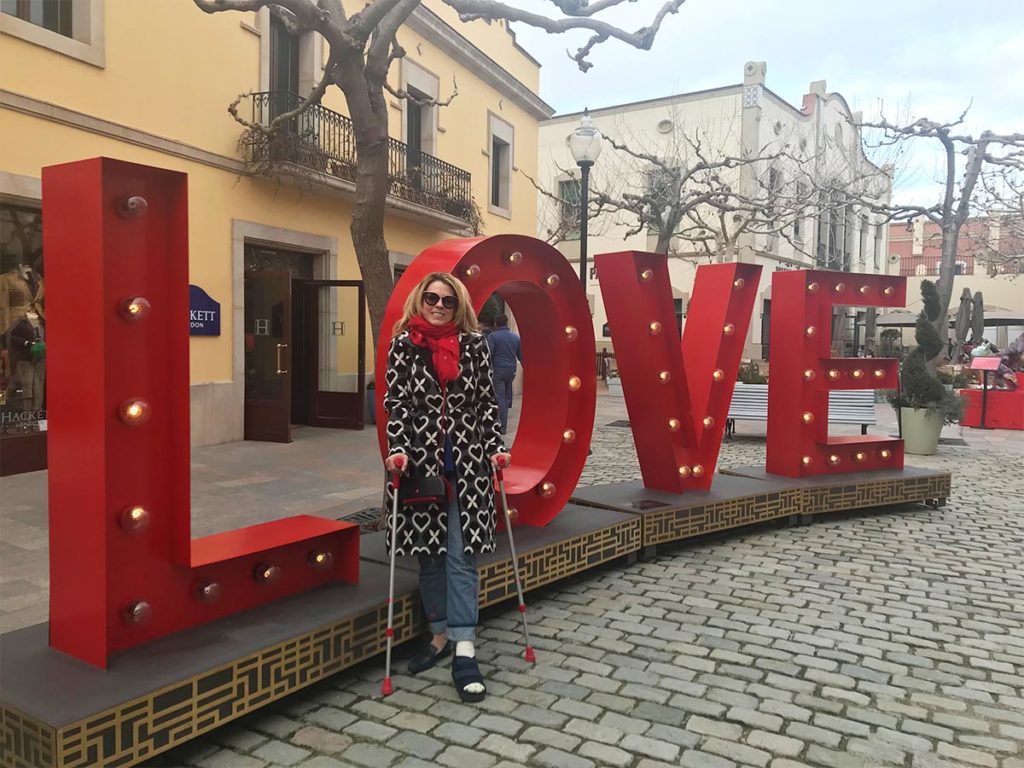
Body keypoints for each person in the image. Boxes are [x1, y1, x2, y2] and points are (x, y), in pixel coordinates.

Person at [382, 272, 510, 703]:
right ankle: (438, 635)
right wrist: (398, 449)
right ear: (420, 300)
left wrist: (495, 447)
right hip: (419, 466)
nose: (439, 305)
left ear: (460, 306)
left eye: (448, 301)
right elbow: (397, 404)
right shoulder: (404, 345)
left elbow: (486, 404)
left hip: (468, 467)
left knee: (460, 556)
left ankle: (464, 646)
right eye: (432, 298)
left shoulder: (475, 346)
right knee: (430, 556)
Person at [485, 313, 522, 434]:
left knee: (500, 397)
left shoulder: (493, 336)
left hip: (498, 370)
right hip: (511, 371)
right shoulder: (515, 337)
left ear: (496, 323)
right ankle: (503, 421)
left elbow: (489, 353)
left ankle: (502, 426)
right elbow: (521, 356)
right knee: (505, 396)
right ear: (506, 322)